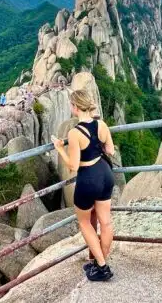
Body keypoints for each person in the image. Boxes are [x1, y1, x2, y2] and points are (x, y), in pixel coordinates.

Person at [51, 90, 116, 282]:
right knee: (106, 222)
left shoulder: (74, 133)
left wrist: (60, 148)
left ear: (75, 107)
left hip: (88, 179)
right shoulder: (102, 125)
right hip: (106, 175)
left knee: (84, 222)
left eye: (71, 105)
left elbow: (72, 165)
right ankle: (99, 263)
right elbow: (110, 150)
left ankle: (102, 267)